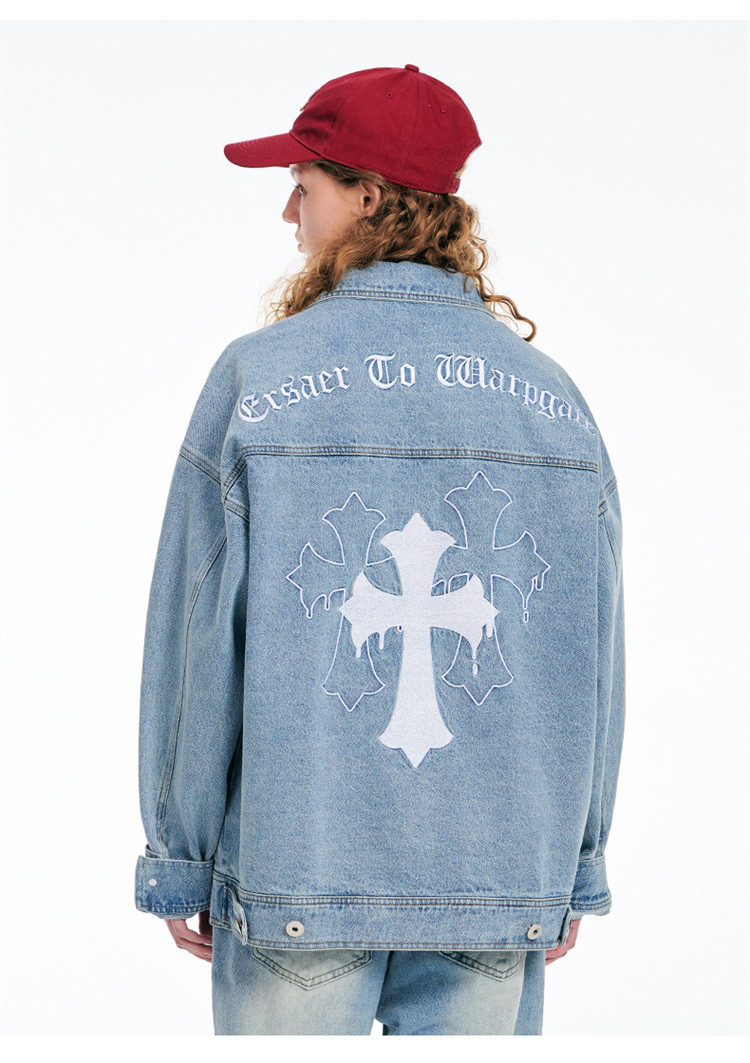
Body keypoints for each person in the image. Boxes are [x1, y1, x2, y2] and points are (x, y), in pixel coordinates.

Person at [134, 64, 625, 1036]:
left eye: (303, 184)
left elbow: (195, 641)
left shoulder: (257, 381)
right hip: (494, 873)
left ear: (368, 197)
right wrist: (574, 859)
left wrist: (180, 851)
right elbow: (592, 657)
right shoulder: (555, 402)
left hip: (300, 866)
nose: (289, 211)